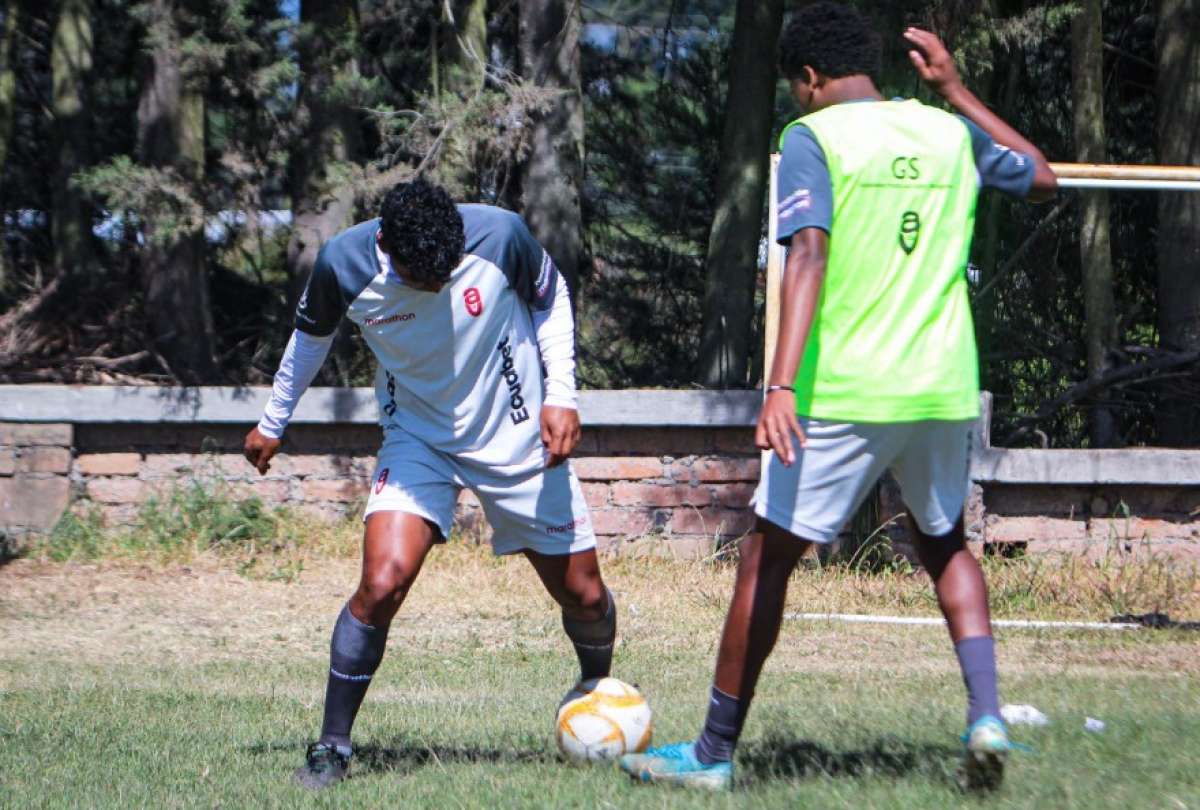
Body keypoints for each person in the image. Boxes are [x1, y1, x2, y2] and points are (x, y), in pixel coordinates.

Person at [619, 1, 1056, 793]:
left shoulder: (812, 137)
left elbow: (808, 257)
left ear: (811, 78)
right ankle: (986, 716)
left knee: (767, 560)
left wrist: (780, 384)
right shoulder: (945, 131)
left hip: (846, 391)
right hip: (944, 386)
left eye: (797, 87)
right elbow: (1043, 175)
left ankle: (713, 755)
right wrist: (956, 90)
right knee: (945, 543)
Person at [244, 179, 616, 790]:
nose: (439, 282)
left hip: (517, 430)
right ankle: (332, 747)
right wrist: (272, 421)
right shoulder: (345, 262)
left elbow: (552, 299)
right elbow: (310, 339)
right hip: (418, 433)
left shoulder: (500, 235)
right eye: (424, 274)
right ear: (386, 244)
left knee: (585, 596)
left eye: (448, 268)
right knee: (381, 582)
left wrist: (562, 396)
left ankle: (598, 693)